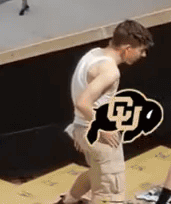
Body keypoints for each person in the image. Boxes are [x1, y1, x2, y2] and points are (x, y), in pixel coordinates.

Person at [55, 19, 154, 204]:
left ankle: (66, 201)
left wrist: (81, 128)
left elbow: (80, 94)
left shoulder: (93, 54)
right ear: (126, 48)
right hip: (98, 135)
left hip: (82, 128)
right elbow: (83, 102)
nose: (143, 55)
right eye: (141, 50)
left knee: (96, 174)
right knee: (109, 192)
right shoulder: (110, 71)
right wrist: (103, 128)